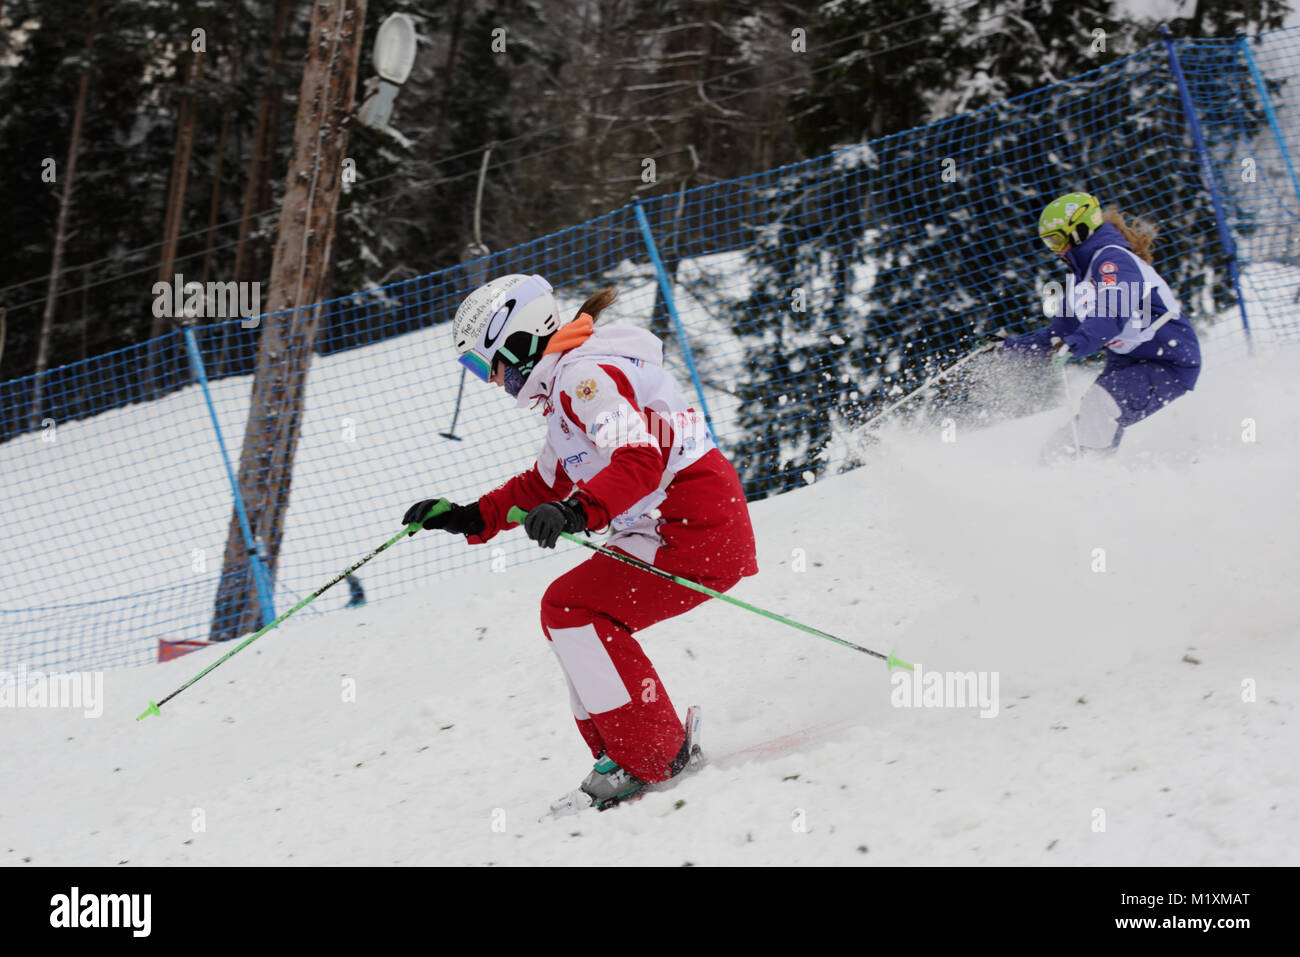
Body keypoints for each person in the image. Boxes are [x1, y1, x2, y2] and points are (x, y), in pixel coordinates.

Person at [402, 274, 758, 809]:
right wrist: (469, 516)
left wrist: (577, 510)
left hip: (694, 526)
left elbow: (640, 456)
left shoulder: (583, 381)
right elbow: (544, 483)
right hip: (670, 525)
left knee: (570, 607)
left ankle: (654, 756)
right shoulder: (568, 387)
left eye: (483, 365)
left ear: (517, 341)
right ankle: (629, 751)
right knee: (565, 610)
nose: (488, 380)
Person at [1002, 191, 1201, 457]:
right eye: (1050, 243)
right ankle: (1054, 481)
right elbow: (1057, 335)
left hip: (1168, 361)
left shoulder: (1113, 261)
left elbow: (1113, 313)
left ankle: (1093, 479)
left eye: (1056, 240)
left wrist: (1075, 345)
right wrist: (1006, 350)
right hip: (1128, 363)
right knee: (1065, 442)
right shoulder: (1080, 280)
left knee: (1101, 406)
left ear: (1079, 230)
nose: (1057, 250)